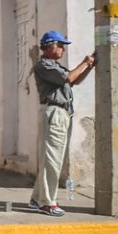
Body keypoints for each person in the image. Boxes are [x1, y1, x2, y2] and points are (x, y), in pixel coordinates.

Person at [31, 30, 96, 217]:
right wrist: (84, 62)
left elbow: (72, 81)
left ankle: (37, 198)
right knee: (52, 159)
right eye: (60, 46)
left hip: (60, 113)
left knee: (51, 159)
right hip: (54, 112)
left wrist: (89, 67)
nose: (63, 49)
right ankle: (47, 202)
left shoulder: (55, 66)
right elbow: (68, 78)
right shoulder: (44, 66)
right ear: (50, 46)